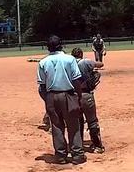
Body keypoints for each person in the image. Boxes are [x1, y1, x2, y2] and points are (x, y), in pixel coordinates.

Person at [37, 35, 85, 165]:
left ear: (48, 47)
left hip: (51, 95)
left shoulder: (43, 62)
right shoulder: (70, 59)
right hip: (68, 94)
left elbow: (42, 86)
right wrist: (79, 96)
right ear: (61, 45)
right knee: (73, 125)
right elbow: (76, 80)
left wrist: (48, 100)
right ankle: (77, 155)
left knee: (57, 126)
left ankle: (60, 156)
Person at [71, 47, 105, 153]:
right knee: (92, 121)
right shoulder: (85, 62)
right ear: (81, 54)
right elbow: (100, 64)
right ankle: (98, 146)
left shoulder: (68, 64)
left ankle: (78, 145)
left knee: (77, 121)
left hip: (73, 96)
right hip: (86, 94)